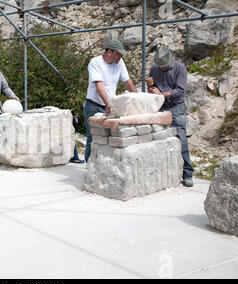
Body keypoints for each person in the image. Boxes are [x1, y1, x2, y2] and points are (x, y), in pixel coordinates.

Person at [148, 46, 194, 187]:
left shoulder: (180, 68)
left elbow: (180, 91)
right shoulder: (154, 69)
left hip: (176, 107)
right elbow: (150, 87)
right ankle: (161, 172)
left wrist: (162, 94)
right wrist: (152, 90)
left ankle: (187, 173)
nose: (162, 68)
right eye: (160, 66)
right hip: (160, 107)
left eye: (164, 66)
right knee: (158, 138)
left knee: (181, 139)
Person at [83, 39, 137, 162]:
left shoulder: (120, 62)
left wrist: (137, 98)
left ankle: (104, 165)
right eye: (119, 53)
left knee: (109, 137)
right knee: (93, 137)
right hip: (94, 106)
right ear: (109, 52)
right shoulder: (95, 63)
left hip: (110, 105)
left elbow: (127, 82)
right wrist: (107, 104)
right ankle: (90, 166)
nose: (121, 56)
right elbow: (99, 86)